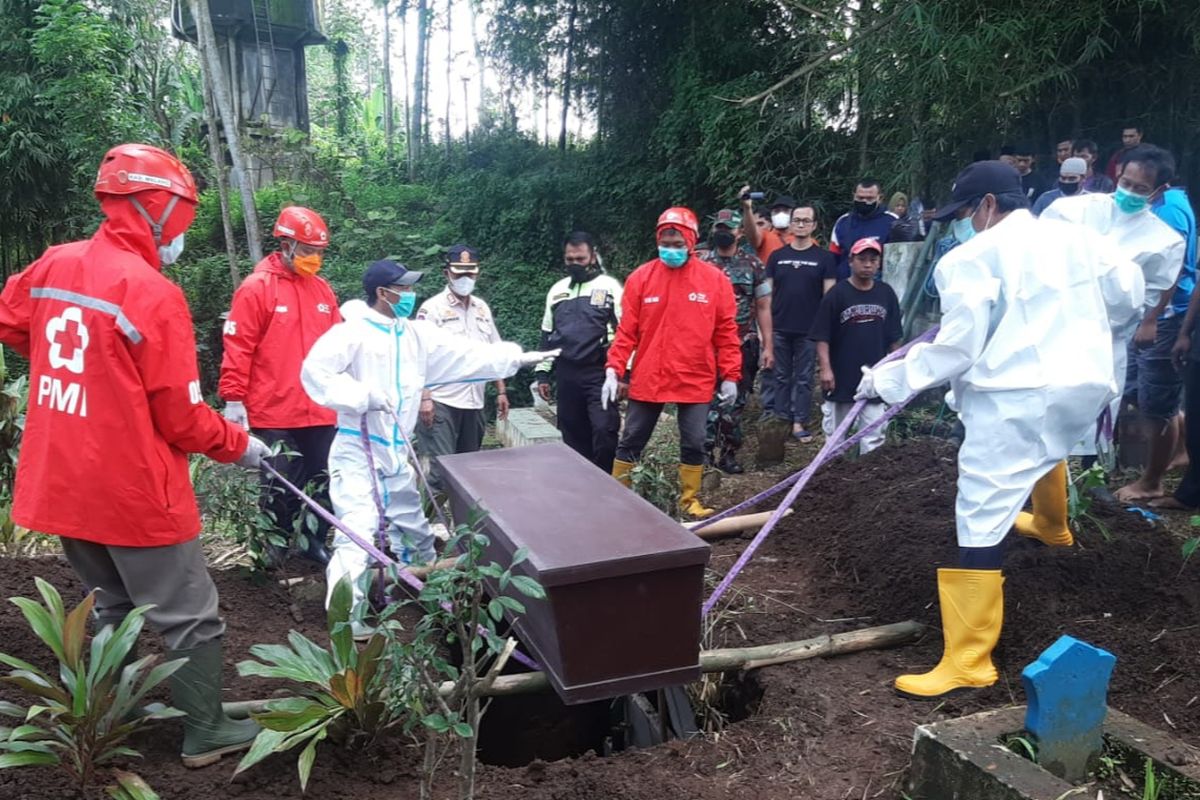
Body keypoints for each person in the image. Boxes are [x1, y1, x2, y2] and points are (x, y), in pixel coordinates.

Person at [0, 144, 273, 767]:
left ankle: (103, 716)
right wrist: (241, 447)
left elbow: (11, 321)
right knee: (191, 616)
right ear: (158, 208)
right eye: (183, 215)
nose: (183, 229)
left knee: (115, 606)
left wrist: (82, 381)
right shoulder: (150, 292)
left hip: (61, 481)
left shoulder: (53, 263)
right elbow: (180, 417)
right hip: (131, 489)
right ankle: (204, 730)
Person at [856, 161, 1144, 698]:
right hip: (1084, 381)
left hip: (1018, 394)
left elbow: (959, 346)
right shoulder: (1074, 237)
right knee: (1047, 446)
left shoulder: (969, 257)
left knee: (981, 511)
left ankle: (969, 660)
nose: (965, 224)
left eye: (965, 213)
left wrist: (886, 381)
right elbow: (1129, 293)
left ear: (987, 205)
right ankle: (1054, 527)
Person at [301, 260, 558, 635]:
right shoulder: (350, 335)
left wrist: (515, 358)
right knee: (357, 532)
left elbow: (465, 354)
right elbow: (316, 374)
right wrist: (361, 396)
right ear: (381, 293)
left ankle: (430, 595)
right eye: (402, 289)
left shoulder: (415, 335)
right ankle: (346, 618)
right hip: (360, 449)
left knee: (414, 528)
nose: (408, 295)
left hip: (396, 450)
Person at [1042, 145, 1188, 503]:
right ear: (1117, 175)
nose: (1130, 192)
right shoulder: (1074, 211)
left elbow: (1160, 285)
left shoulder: (1164, 240)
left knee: (1096, 401)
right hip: (1053, 323)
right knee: (1044, 396)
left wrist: (1150, 320)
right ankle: (1040, 476)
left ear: (1159, 192)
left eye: (1141, 189)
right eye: (1126, 182)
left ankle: (1088, 476)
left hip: (1107, 334)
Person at [219, 206, 341, 566]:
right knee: (278, 483)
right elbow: (238, 344)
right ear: (286, 245)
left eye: (318, 251)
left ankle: (314, 541)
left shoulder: (321, 291)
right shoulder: (257, 289)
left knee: (326, 477)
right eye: (306, 250)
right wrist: (233, 397)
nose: (313, 258)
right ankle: (275, 544)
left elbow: (340, 345)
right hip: (274, 408)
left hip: (320, 407)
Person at [603, 207, 741, 519]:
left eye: (678, 243)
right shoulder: (641, 278)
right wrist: (614, 368)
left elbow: (726, 333)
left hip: (695, 375)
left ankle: (688, 501)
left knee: (694, 441)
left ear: (691, 242)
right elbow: (627, 332)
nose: (671, 249)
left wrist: (731, 374)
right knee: (632, 439)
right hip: (650, 374)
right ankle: (617, 497)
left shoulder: (714, 281)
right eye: (666, 242)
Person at [415, 245, 507, 491]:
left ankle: (463, 529)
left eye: (470, 273)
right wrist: (424, 397)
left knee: (469, 470)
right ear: (447, 274)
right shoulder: (431, 309)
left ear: (477, 274)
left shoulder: (481, 308)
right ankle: (427, 526)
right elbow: (419, 355)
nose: (465, 279)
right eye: (458, 273)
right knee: (439, 470)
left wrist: (501, 390)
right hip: (441, 400)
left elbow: (494, 350)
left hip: (474, 401)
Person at [534, 232, 623, 473]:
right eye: (570, 259)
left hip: (600, 373)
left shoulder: (610, 287)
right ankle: (582, 486)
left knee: (604, 430)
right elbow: (547, 335)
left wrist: (625, 374)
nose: (575, 263)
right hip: (566, 373)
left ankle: (605, 483)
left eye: (580, 259)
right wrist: (543, 374)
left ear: (593, 257)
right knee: (572, 434)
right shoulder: (556, 291)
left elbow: (625, 333)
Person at [810, 238, 902, 454]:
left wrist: (897, 370)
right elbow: (822, 335)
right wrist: (825, 369)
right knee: (835, 436)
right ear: (851, 261)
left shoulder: (886, 293)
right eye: (862, 259)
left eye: (873, 259)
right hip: (842, 375)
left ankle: (868, 479)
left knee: (874, 435)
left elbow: (894, 337)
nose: (868, 264)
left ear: (879, 262)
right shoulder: (837, 294)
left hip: (875, 376)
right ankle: (831, 476)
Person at [702, 209, 773, 474]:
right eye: (719, 227)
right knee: (707, 403)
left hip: (743, 342)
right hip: (707, 346)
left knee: (735, 404)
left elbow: (764, 306)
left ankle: (729, 454)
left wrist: (769, 346)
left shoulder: (753, 264)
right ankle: (704, 454)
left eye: (728, 228)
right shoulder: (702, 264)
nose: (723, 232)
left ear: (739, 232)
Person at [766, 204, 839, 442]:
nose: (800, 224)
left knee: (805, 378)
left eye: (806, 221)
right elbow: (767, 295)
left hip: (809, 329)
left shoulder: (825, 258)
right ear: (790, 224)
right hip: (779, 326)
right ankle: (781, 419)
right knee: (780, 376)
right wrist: (764, 328)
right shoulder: (777, 257)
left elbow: (829, 298)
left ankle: (799, 422)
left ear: (814, 225)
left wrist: (824, 330)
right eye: (796, 220)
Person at [829, 179, 898, 279]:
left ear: (880, 198)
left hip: (878, 286)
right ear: (854, 196)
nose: (864, 202)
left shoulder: (893, 222)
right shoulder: (843, 222)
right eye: (860, 198)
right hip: (845, 285)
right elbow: (833, 257)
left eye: (870, 198)